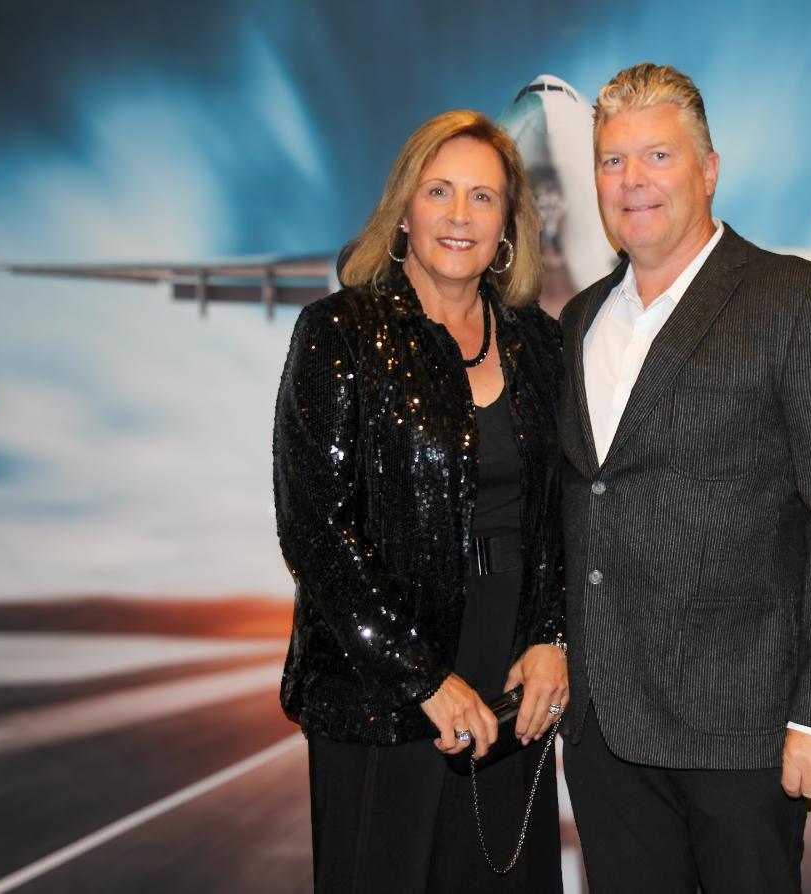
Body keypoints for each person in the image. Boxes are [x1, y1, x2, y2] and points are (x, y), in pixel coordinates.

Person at [557, 64, 811, 892]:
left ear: (709, 170)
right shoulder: (578, 321)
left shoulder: (801, 301)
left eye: (658, 156)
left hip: (743, 732)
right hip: (604, 733)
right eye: (612, 161)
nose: (633, 180)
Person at [273, 109, 567, 893]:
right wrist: (423, 677)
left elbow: (564, 512)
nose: (460, 216)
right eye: (439, 191)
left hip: (510, 678)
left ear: (509, 224)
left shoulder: (541, 344)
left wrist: (553, 637)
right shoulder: (339, 332)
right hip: (382, 680)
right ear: (404, 210)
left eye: (483, 197)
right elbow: (316, 531)